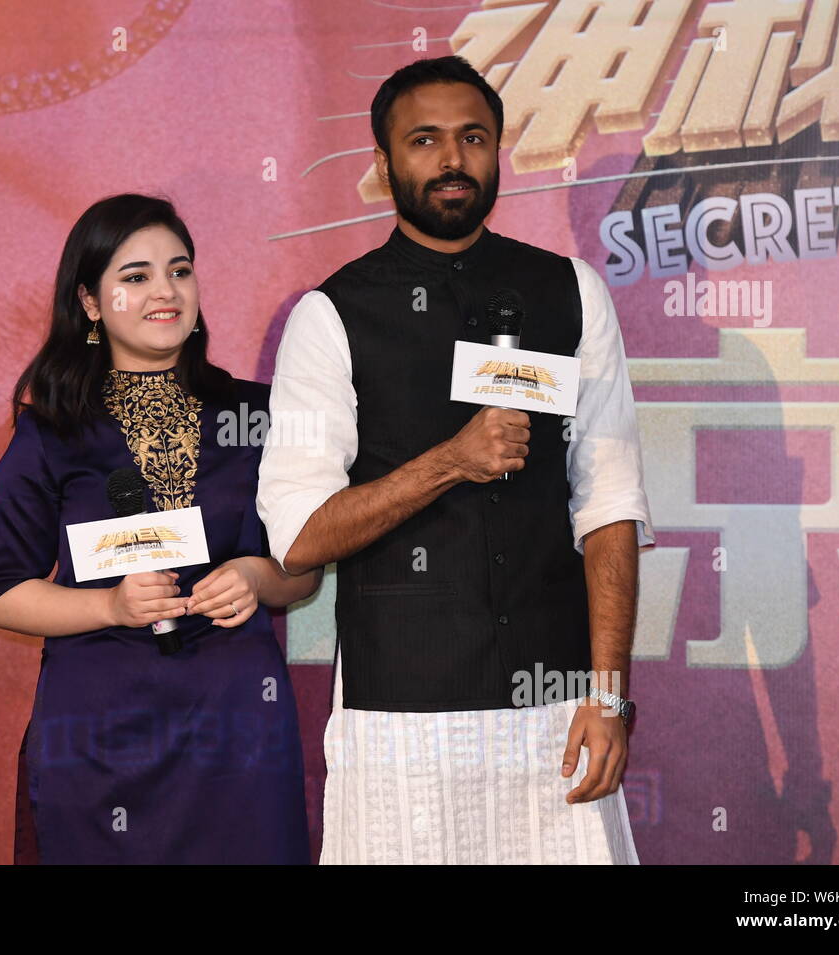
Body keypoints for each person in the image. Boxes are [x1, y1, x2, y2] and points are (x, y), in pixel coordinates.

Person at [257, 56, 655, 864]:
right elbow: (297, 536)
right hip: (399, 716)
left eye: (472, 138)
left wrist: (609, 694)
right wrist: (452, 460)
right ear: (382, 164)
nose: (451, 160)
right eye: (424, 140)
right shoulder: (331, 315)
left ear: (498, 149)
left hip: (557, 707)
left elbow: (609, 502)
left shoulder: (570, 292)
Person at [0, 193, 320, 864]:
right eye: (136, 276)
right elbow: (0, 590)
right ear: (92, 304)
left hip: (237, 727)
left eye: (180, 270)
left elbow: (303, 567)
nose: (165, 290)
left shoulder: (257, 414)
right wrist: (109, 603)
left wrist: (258, 575)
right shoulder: (53, 431)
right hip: (100, 733)